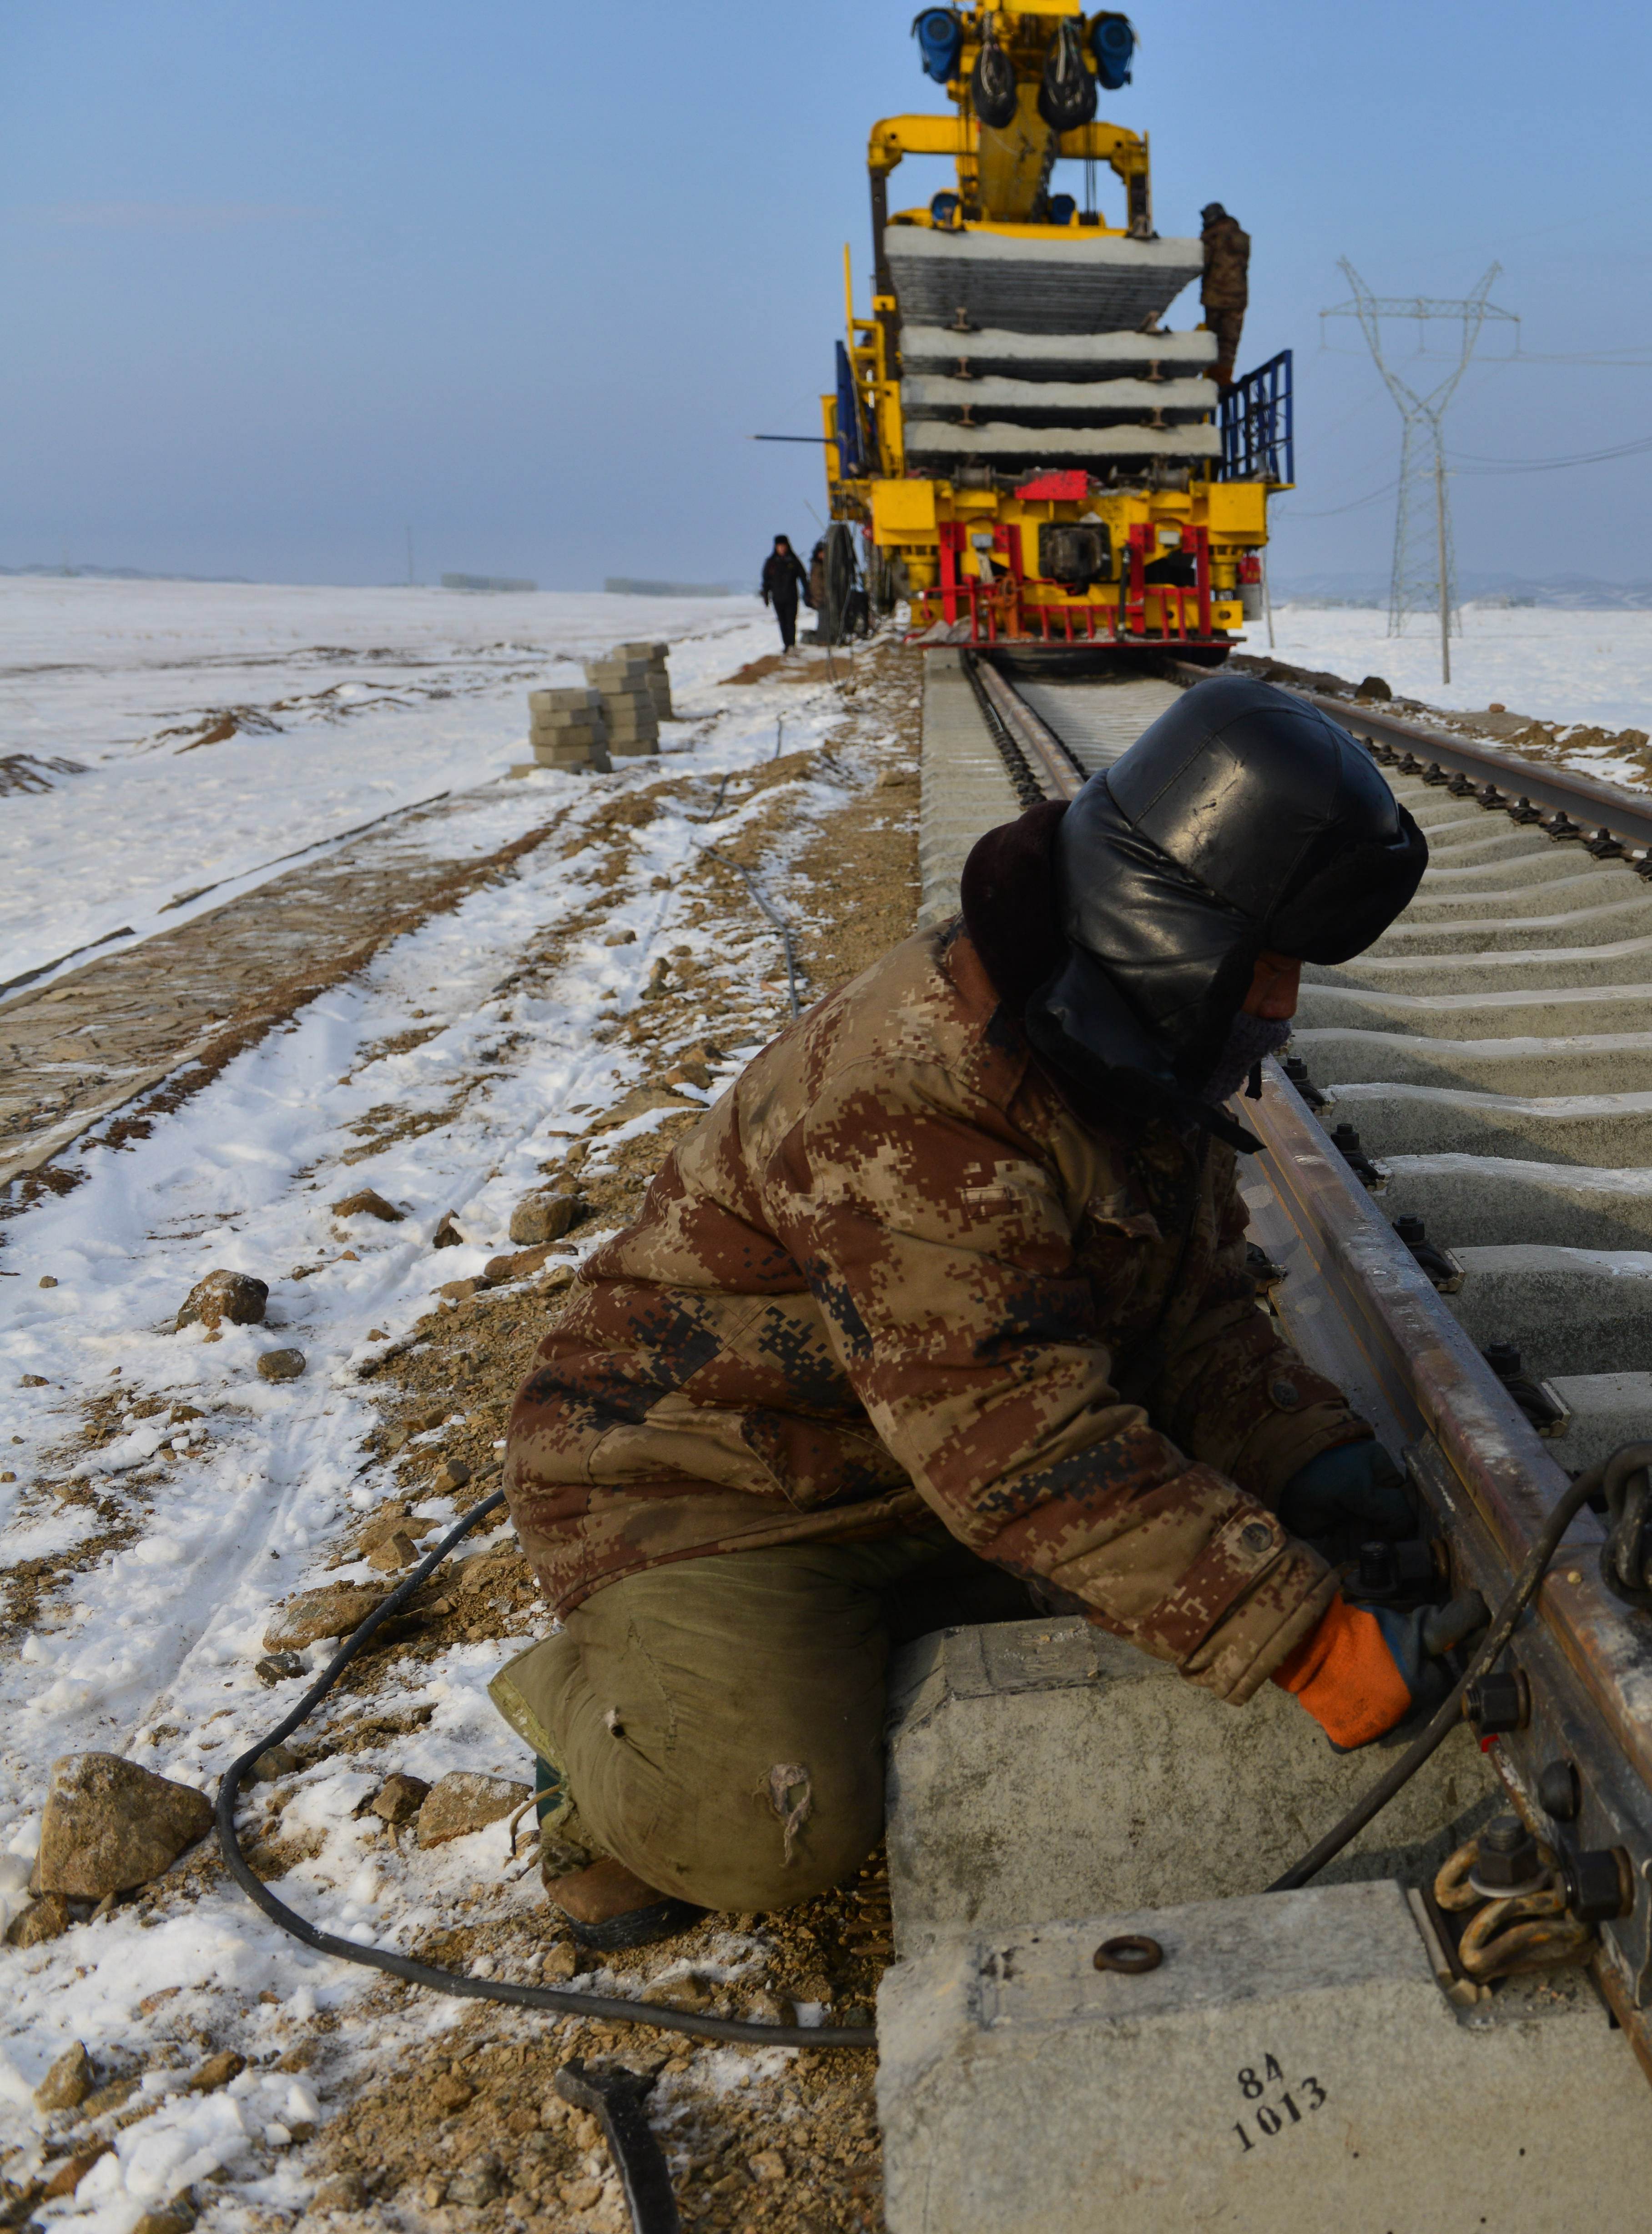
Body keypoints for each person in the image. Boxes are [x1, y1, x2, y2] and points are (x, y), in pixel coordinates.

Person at [491, 677, 1471, 1947]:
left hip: (912, 1456)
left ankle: (855, 1633)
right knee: (769, 1827)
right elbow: (1015, 1439)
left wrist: (1310, 1451)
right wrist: (1305, 1642)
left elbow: (1193, 1316)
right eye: (1268, 966)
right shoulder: (916, 1085)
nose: (1281, 1006)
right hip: (715, 1489)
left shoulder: (1121, 1038)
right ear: (1169, 927)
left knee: (1195, 1569)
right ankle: (591, 1722)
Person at [1199, 201, 1250, 387]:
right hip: (1238, 298)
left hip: (1215, 297)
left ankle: (1214, 378)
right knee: (1230, 341)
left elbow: (1202, 262)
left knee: (1214, 339)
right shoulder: (1241, 237)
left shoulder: (1211, 238)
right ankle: (1224, 377)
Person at [759, 533, 806, 654]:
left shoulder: (794, 560)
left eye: (784, 546)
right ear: (776, 547)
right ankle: (786, 645)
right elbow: (766, 581)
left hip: (792, 597)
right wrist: (766, 596)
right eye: (779, 546)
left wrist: (808, 593)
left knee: (791, 621)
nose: (782, 549)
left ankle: (792, 644)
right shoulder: (771, 563)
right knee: (782, 622)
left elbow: (803, 577)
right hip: (778, 598)